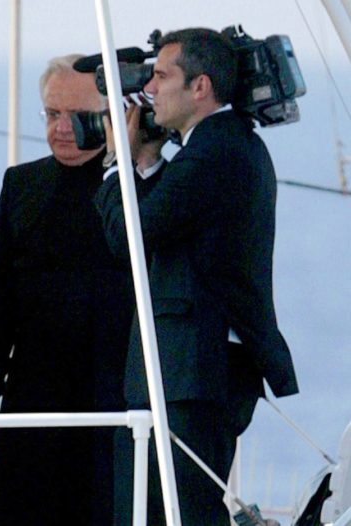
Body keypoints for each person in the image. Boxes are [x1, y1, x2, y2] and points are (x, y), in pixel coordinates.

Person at [94, 28, 299, 525]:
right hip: (193, 370)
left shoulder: (213, 152)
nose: (150, 91)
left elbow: (130, 236)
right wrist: (145, 164)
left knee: (176, 514)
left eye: (162, 77)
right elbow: (173, 221)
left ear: (200, 86)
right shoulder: (222, 147)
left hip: (192, 374)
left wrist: (116, 160)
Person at [0, 55, 158, 524]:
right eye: (52, 115)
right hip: (35, 392)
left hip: (111, 395)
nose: (62, 129)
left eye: (79, 117)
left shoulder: (139, 187)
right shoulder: (22, 183)